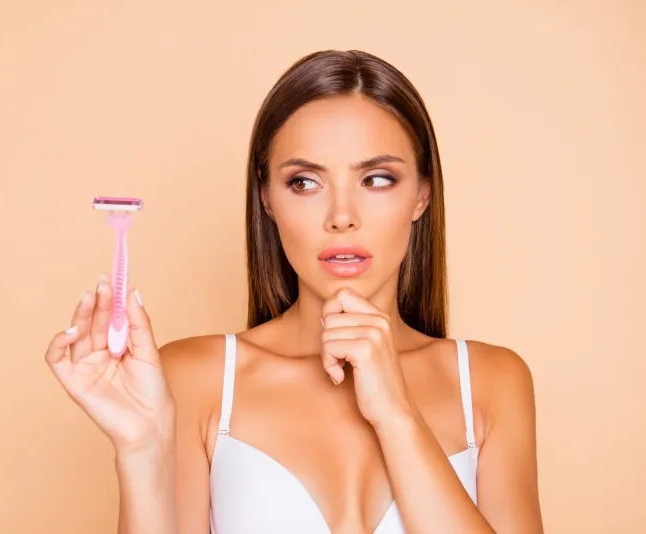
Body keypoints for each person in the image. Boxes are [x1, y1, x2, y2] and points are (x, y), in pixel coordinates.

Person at [45, 49, 544, 534]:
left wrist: (397, 413)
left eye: (376, 178)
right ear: (266, 198)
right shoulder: (195, 379)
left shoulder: (491, 383)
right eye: (305, 183)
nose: (341, 216)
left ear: (421, 194)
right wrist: (141, 447)